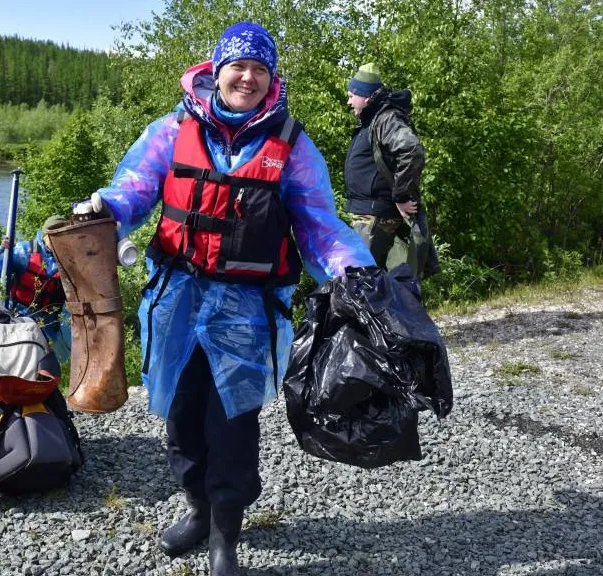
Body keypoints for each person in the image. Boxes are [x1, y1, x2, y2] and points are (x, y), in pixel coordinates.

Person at [72, 22, 374, 576]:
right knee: (182, 418)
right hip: (178, 306)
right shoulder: (173, 128)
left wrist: (356, 271)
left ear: (271, 79)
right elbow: (135, 189)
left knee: (232, 423)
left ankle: (225, 537)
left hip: (247, 313)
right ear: (217, 69)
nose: (249, 77)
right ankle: (196, 508)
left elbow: (318, 225)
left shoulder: (291, 144)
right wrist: (104, 207)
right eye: (239, 66)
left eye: (261, 69)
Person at [344, 62, 440, 279]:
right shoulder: (371, 120)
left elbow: (412, 151)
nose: (349, 101)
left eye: (352, 95)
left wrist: (401, 195)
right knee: (376, 282)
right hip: (369, 213)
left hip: (377, 215)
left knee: (364, 282)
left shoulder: (386, 118)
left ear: (366, 97)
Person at [0, 215, 70, 363]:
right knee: (18, 358)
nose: (57, 240)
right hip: (21, 313)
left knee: (48, 363)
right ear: (45, 235)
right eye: (53, 236)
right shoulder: (24, 251)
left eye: (61, 236)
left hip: (49, 319)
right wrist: (2, 250)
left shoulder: (68, 258)